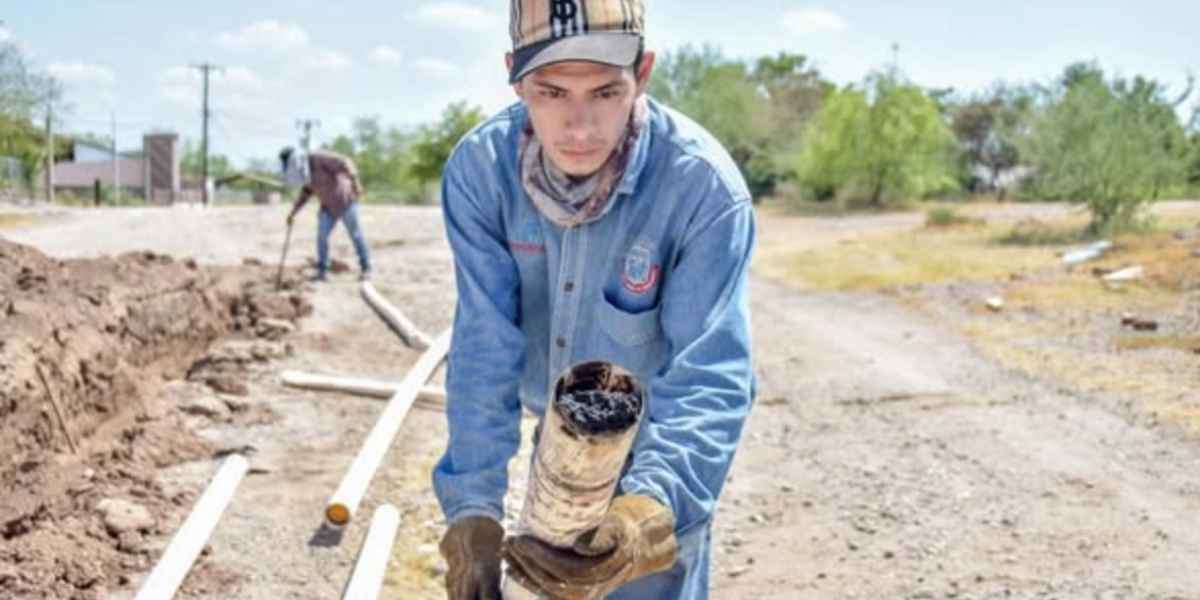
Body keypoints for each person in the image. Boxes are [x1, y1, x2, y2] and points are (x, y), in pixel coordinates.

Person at [432, 0, 756, 598]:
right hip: (554, 444)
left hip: (661, 451)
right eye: (552, 93)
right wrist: (472, 512)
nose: (579, 128)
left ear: (645, 72)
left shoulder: (700, 189)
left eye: (605, 93)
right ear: (514, 75)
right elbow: (483, 350)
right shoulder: (481, 173)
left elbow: (709, 377)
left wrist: (646, 517)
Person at [281, 147, 372, 281]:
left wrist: (356, 183)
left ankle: (366, 267)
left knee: (356, 235)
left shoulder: (319, 158)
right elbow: (305, 193)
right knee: (321, 237)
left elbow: (345, 162)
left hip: (346, 201)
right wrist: (293, 212)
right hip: (328, 208)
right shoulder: (303, 172)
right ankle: (322, 270)